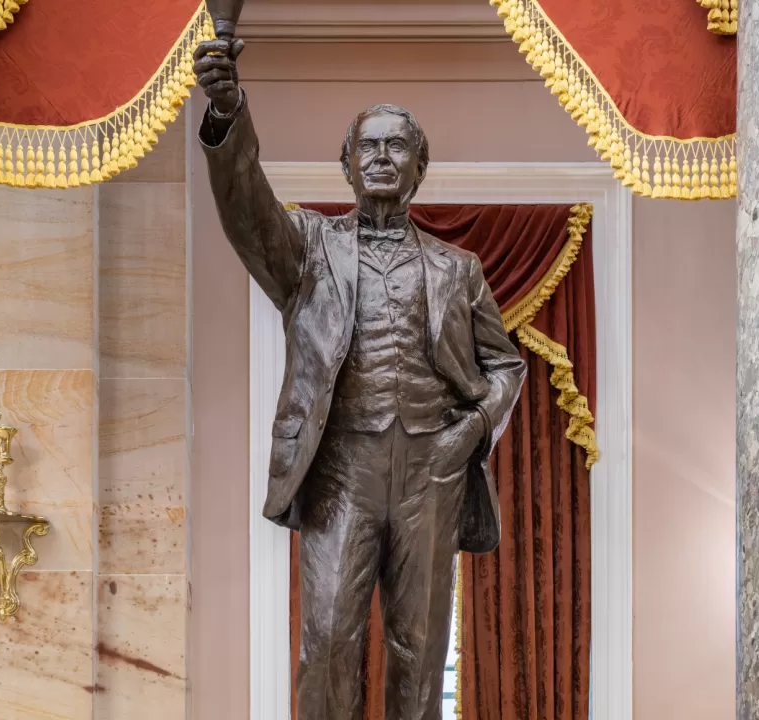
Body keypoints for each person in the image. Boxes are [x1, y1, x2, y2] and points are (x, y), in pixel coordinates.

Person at [195, 35, 526, 720]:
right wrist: (229, 116)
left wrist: (468, 434)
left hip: (430, 474)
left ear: (419, 167)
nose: (380, 157)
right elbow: (248, 214)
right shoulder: (309, 251)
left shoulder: (457, 269)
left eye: (396, 146)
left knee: (421, 648)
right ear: (347, 165)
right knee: (328, 642)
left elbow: (506, 365)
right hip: (342, 470)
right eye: (367, 147)